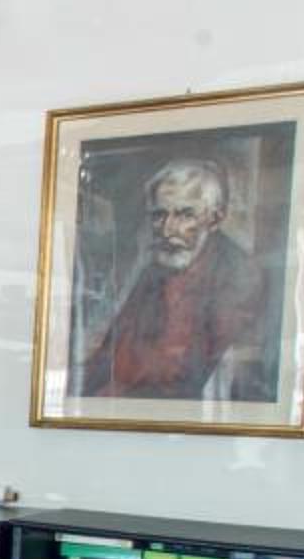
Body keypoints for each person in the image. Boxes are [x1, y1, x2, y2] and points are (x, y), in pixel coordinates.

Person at [77, 157, 281, 403]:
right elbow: (108, 353)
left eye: (185, 215)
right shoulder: (155, 269)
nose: (167, 230)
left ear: (215, 219)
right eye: (159, 215)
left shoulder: (240, 275)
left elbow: (190, 372)